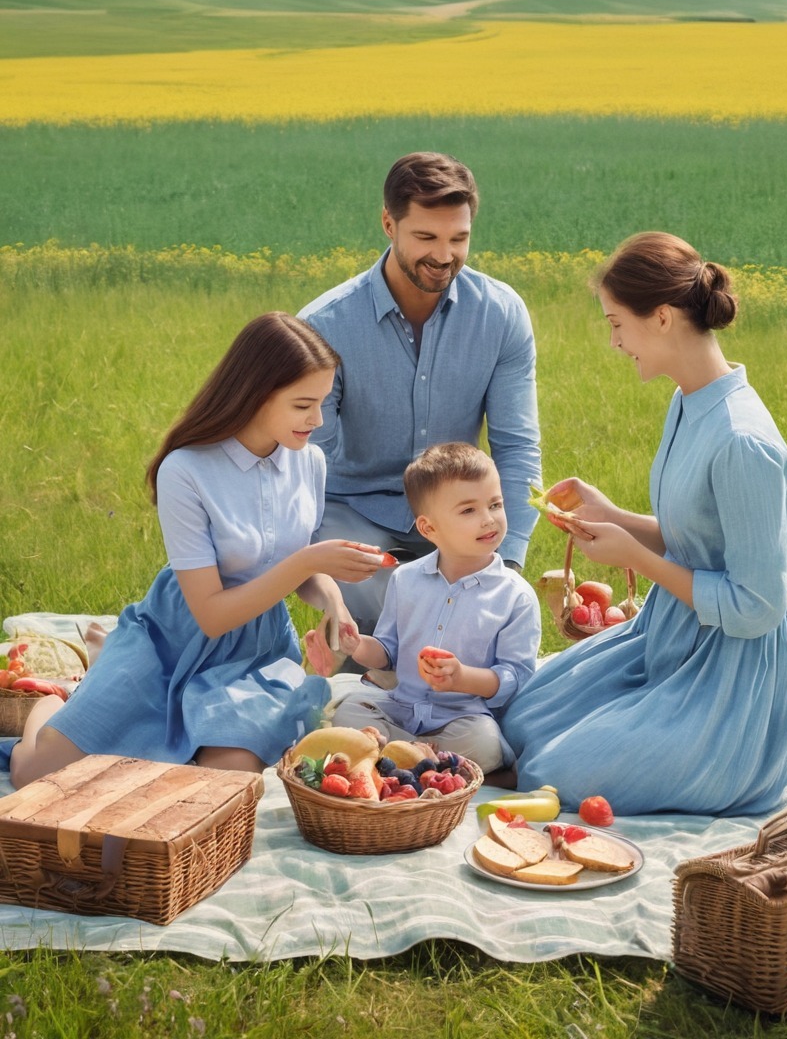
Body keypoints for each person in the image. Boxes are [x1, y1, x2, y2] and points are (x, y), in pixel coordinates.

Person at [501, 232, 787, 817]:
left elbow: (756, 605)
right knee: (522, 719)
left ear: (665, 317)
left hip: (739, 678)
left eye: (617, 324)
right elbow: (704, 539)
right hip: (673, 633)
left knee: (550, 771)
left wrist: (635, 557)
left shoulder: (741, 442)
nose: (616, 343)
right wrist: (613, 517)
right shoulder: (688, 401)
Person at [9, 313, 387, 789]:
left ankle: (113, 670)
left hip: (255, 650)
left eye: (324, 402)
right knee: (41, 777)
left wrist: (333, 601)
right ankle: (63, 701)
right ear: (256, 394)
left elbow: (299, 563)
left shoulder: (309, 461)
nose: (318, 420)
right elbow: (210, 614)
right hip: (172, 637)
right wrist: (310, 562)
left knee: (220, 784)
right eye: (303, 405)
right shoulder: (185, 470)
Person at [298, 151, 542, 640]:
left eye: (459, 238)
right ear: (388, 224)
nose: (444, 255)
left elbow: (516, 448)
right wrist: (313, 565)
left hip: (458, 511)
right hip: (353, 513)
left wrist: (507, 561)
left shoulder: (501, 315)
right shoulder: (324, 326)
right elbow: (304, 469)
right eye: (426, 237)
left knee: (477, 621)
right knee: (408, 615)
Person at [304, 443, 541, 776]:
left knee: (485, 742)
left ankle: (393, 757)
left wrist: (462, 678)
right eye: (468, 511)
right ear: (429, 528)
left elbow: (515, 678)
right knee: (350, 711)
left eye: (495, 504)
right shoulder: (406, 579)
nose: (489, 519)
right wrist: (357, 645)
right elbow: (387, 653)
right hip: (400, 708)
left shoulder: (515, 596)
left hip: (462, 718)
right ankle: (430, 761)